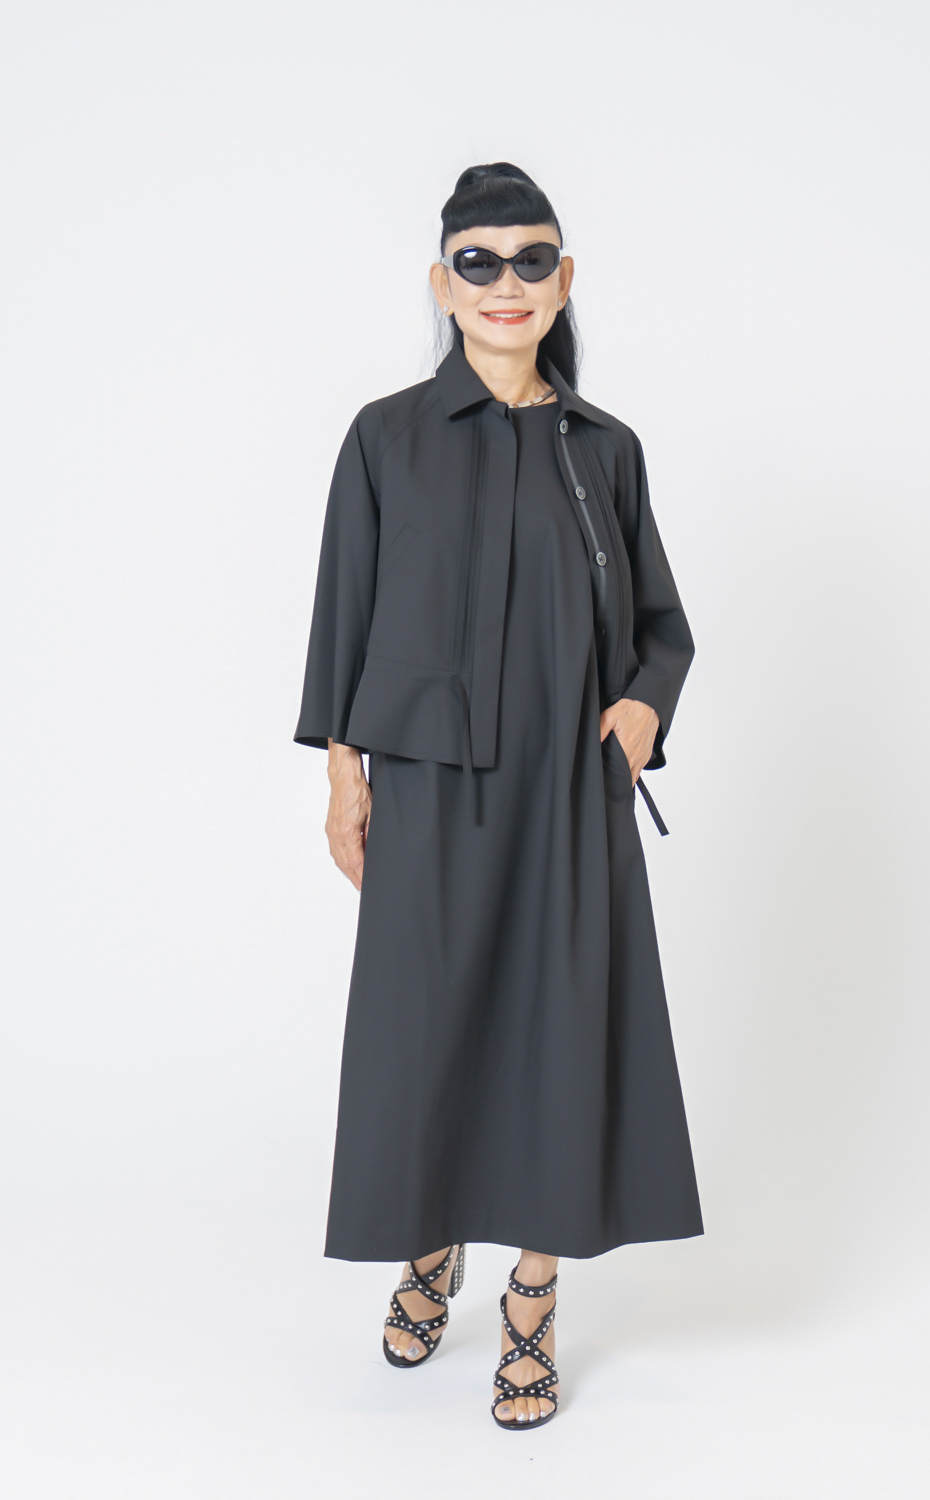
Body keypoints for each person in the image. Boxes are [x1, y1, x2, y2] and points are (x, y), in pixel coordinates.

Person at [295, 162, 702, 1430]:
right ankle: (431, 1247)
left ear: (564, 280)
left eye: (531, 260)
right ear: (444, 283)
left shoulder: (604, 449)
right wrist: (344, 775)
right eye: (479, 263)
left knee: (557, 1033)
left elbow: (660, 627)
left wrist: (642, 709)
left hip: (569, 792)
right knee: (426, 1026)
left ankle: (532, 1295)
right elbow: (344, 613)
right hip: (428, 782)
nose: (506, 284)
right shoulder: (387, 438)